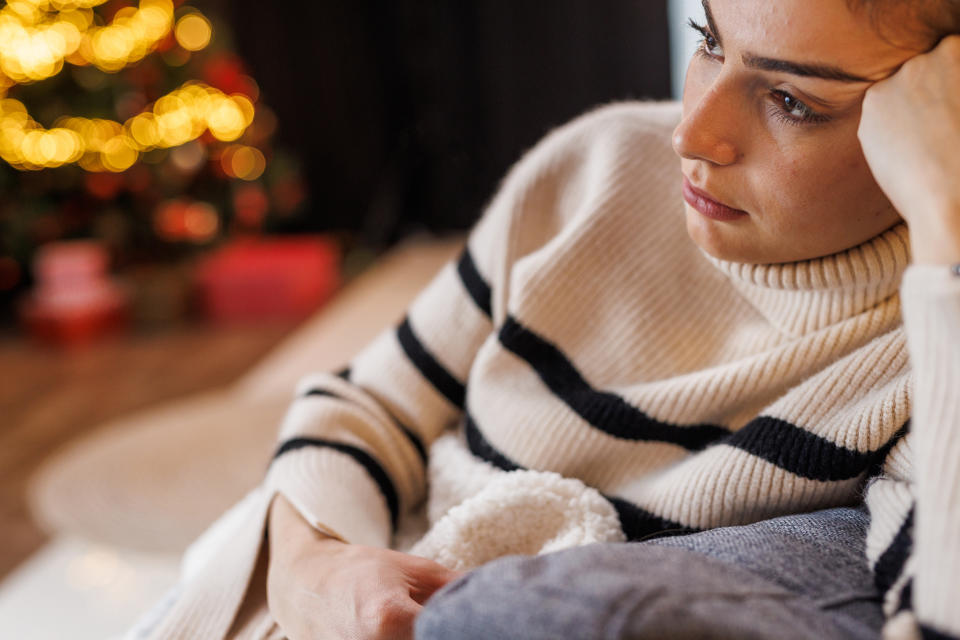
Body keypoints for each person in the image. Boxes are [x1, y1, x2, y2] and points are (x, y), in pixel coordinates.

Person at [133, 0, 960, 638]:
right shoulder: (593, 167)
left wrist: (942, 218)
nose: (692, 133)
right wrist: (313, 563)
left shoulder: (922, 348)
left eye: (791, 99)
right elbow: (368, 403)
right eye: (709, 39)